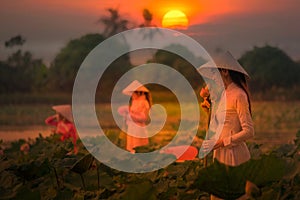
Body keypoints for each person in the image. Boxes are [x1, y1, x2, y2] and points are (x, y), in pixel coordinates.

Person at [198, 51, 255, 199]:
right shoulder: (223, 94)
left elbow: (249, 131)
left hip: (233, 155)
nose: (212, 78)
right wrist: (208, 110)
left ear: (224, 71)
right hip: (220, 153)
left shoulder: (239, 95)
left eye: (214, 73)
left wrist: (223, 142)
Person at [118, 80, 152, 153]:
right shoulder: (134, 101)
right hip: (132, 126)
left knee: (138, 143)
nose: (132, 95)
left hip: (138, 125)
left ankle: (138, 153)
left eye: (134, 93)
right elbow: (131, 112)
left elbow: (143, 117)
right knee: (131, 143)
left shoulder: (144, 102)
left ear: (138, 93)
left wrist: (130, 114)